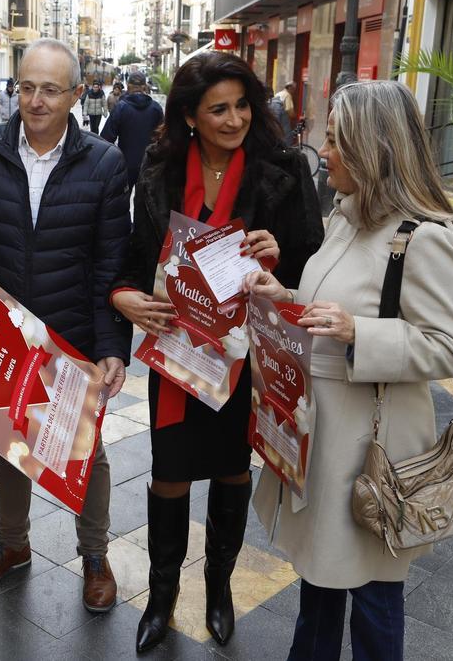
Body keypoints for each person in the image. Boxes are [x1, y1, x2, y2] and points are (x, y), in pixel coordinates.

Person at [246, 80, 453, 660]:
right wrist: (286, 294)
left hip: (372, 449)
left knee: (373, 592)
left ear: (374, 149)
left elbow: (452, 347)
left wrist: (359, 334)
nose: (324, 151)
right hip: (322, 439)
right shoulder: (347, 218)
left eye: (337, 141)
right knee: (320, 581)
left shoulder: (423, 237)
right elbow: (332, 307)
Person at [109, 52, 324, 653]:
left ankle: (219, 587)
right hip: (179, 356)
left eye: (242, 105)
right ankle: (161, 597)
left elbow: (314, 258)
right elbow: (133, 259)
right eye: (219, 109)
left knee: (233, 470)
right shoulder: (159, 171)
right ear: (191, 117)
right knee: (169, 476)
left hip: (246, 358)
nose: (235, 120)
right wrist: (124, 296)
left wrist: (281, 250)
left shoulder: (280, 168)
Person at [0, 38, 132, 613]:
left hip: (72, 330)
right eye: (26, 87)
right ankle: (12, 547)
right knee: (6, 439)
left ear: (76, 94)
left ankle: (94, 555)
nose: (35, 101)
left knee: (84, 448)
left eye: (49, 89)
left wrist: (111, 345)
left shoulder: (104, 162)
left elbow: (109, 263)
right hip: (3, 330)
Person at [100, 71, 164, 190]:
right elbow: (164, 137)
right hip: (148, 165)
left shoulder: (121, 108)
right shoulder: (156, 108)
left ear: (128, 86)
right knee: (145, 205)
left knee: (121, 203)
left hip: (125, 164)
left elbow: (106, 139)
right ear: (145, 87)